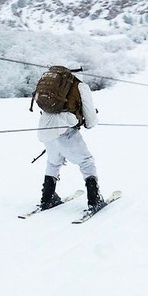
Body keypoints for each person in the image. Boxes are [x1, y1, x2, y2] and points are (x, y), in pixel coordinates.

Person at [34, 69, 103, 211]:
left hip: (46, 128)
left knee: (53, 163)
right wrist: (89, 122)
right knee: (86, 162)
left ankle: (47, 199)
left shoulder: (54, 81)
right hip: (67, 131)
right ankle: (94, 200)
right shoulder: (80, 86)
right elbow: (90, 119)